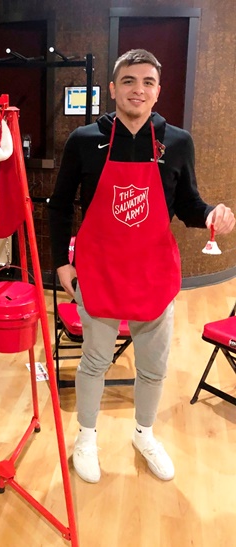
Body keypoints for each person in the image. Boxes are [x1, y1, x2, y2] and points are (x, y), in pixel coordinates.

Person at [48, 49, 235, 484]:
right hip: (99, 270)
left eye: (148, 82)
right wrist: (61, 263)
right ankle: (87, 437)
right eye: (129, 81)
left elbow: (187, 204)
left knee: (153, 367)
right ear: (112, 89)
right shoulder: (84, 141)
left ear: (158, 91)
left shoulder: (178, 142)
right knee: (94, 362)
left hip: (154, 272)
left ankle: (143, 433)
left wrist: (210, 214)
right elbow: (59, 207)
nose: (138, 89)